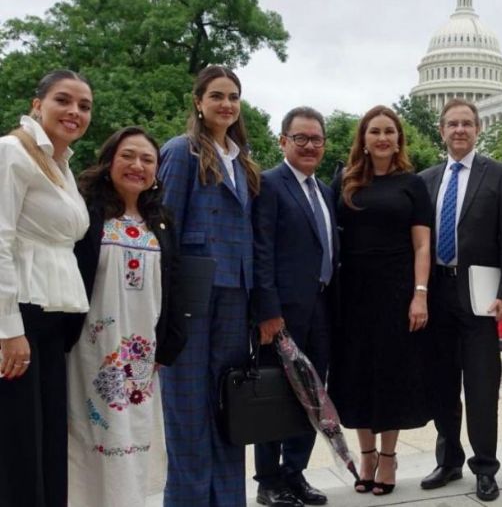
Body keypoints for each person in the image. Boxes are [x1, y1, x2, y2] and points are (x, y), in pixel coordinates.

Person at [67, 127, 185, 507]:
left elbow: (174, 284)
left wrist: (167, 346)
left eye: (147, 160)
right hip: (89, 350)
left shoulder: (161, 220)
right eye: (128, 156)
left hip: (141, 354)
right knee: (88, 437)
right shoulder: (85, 213)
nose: (138, 165)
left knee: (133, 434)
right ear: (109, 162)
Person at [158, 65, 259, 506]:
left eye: (233, 96)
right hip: (193, 292)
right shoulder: (182, 152)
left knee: (227, 405)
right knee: (188, 405)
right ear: (198, 102)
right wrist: (166, 301)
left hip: (236, 292)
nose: (226, 104)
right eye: (217, 95)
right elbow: (166, 226)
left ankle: (228, 499)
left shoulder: (243, 159)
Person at [417, 99, 502, 501]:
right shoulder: (426, 180)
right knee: (442, 384)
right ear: (441, 131)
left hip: (480, 297)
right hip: (437, 294)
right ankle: (448, 460)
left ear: (478, 129)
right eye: (452, 124)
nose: (459, 130)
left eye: (466, 124)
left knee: (481, 386)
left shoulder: (498, 175)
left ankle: (485, 467)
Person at [328, 105, 432, 497]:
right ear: (364, 139)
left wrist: (420, 295)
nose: (383, 137)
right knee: (356, 375)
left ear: (399, 138)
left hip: (396, 291)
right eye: (375, 131)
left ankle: (388, 458)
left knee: (391, 375)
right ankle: (366, 455)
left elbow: (422, 245)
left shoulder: (412, 184)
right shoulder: (345, 180)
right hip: (352, 293)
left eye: (390, 131)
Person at [0, 69, 93, 507]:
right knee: (19, 444)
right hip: (22, 313)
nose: (74, 111)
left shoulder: (60, 165)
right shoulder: (11, 152)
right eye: (63, 100)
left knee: (50, 439)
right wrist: (8, 330)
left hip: (57, 316)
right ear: (37, 105)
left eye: (84, 106)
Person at [251, 106, 336, 507]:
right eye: (300, 138)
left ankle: (295, 474)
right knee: (275, 396)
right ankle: (268, 481)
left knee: (313, 395)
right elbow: (261, 250)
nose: (309, 146)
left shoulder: (326, 191)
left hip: (321, 308)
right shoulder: (269, 184)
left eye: (316, 139)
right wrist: (268, 311)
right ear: (283, 141)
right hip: (281, 314)